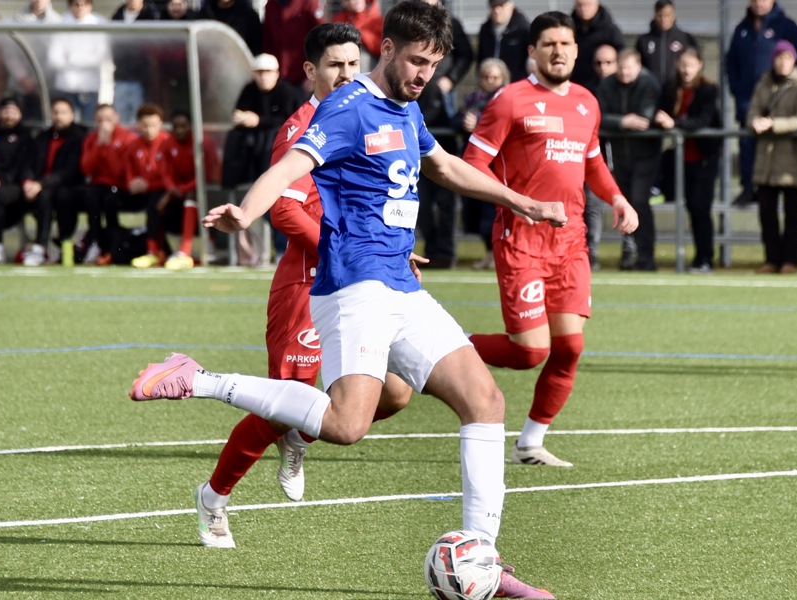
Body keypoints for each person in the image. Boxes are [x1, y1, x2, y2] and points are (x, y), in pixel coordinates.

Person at [129, 2, 563, 597]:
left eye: (433, 65)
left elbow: (446, 168)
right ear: (386, 50)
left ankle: (482, 557)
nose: (423, 75)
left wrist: (526, 203)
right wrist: (245, 214)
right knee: (344, 424)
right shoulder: (347, 107)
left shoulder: (407, 111)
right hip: (353, 288)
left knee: (484, 400)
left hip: (403, 288)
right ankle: (196, 377)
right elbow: (290, 167)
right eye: (415, 61)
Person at [195, 22, 417, 548]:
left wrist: (396, 249)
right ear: (311, 71)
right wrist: (354, 251)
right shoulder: (300, 129)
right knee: (286, 399)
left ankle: (301, 428)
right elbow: (288, 215)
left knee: (398, 391)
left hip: (368, 279)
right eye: (334, 66)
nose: (346, 74)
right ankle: (213, 496)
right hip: (309, 282)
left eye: (351, 63)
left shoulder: (373, 115)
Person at [463, 11, 638, 467]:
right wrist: (515, 201)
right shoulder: (509, 101)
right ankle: (444, 342)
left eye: (565, 43)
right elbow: (470, 166)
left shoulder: (587, 102)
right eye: (549, 44)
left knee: (570, 347)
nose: (558, 51)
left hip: (570, 243)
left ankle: (530, 442)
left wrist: (617, 198)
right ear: (532, 52)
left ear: (576, 51)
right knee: (529, 352)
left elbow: (593, 163)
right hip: (521, 239)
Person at [726, 0, 797, 207]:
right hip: (748, 105)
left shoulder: (786, 26)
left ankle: (778, 190)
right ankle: (748, 188)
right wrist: (739, 91)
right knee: (747, 144)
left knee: (780, 148)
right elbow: (731, 63)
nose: (759, 3)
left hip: (781, 103)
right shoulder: (742, 29)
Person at [414, 0, 474, 270]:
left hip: (443, 122)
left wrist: (450, 78)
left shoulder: (452, 23)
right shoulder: (409, 22)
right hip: (416, 112)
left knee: (447, 195)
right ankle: (431, 248)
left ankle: (446, 252)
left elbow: (466, 54)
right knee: (420, 198)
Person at [654, 47, 722, 273]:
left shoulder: (708, 90)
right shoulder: (670, 88)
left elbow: (702, 120)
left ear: (699, 65)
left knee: (700, 208)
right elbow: (660, 113)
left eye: (690, 65)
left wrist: (675, 123)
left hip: (703, 159)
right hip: (679, 159)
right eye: (683, 64)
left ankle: (705, 258)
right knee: (685, 205)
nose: (686, 70)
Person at [748, 39, 797, 275]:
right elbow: (752, 111)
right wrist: (755, 121)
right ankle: (771, 259)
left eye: (787, 58)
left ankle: (790, 261)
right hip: (765, 160)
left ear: (794, 60)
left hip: (791, 161)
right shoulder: (762, 84)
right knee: (767, 214)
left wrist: (773, 123)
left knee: (792, 214)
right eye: (778, 57)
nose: (783, 62)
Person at [597, 47, 661, 271]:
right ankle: (629, 254)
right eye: (621, 68)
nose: (624, 73)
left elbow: (645, 119)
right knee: (625, 204)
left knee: (640, 202)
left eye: (629, 68)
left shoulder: (648, 84)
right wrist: (622, 122)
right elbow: (598, 116)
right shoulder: (607, 85)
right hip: (620, 156)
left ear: (638, 66)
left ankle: (647, 256)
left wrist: (621, 121)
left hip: (646, 156)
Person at [455, 58, 511, 270]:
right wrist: (464, 122)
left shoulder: (506, 99)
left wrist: (479, 123)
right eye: (486, 77)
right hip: (473, 162)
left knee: (493, 212)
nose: (490, 81)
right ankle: (489, 254)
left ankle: (498, 255)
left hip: (497, 164)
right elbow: (455, 119)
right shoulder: (473, 98)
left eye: (495, 77)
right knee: (476, 213)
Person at [20, 97, 86, 266]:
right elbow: (29, 163)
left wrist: (41, 184)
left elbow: (70, 171)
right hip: (39, 187)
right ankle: (39, 248)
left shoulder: (79, 137)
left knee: (60, 196)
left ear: (72, 115)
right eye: (55, 112)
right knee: (41, 196)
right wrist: (27, 182)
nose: (59, 116)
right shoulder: (42, 138)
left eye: (63, 113)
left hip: (67, 187)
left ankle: (64, 244)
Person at [221, 53, 301, 190]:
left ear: (276, 73)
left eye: (268, 72)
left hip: (276, 138)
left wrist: (259, 121)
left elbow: (289, 119)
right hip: (252, 137)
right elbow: (239, 110)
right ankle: (234, 182)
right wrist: (242, 118)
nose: (264, 77)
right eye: (259, 72)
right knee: (235, 137)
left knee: (270, 139)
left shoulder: (287, 92)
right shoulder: (249, 90)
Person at [160, 109, 221, 270]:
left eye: (183, 126)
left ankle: (185, 252)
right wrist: (172, 189)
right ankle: (157, 250)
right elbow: (165, 172)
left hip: (209, 190)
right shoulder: (167, 143)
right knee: (156, 203)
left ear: (191, 126)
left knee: (191, 197)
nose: (179, 130)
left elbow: (206, 174)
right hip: (180, 192)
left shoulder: (203, 142)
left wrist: (181, 189)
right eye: (175, 126)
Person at [78, 104, 137, 264]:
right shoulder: (92, 139)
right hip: (98, 186)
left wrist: (107, 146)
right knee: (91, 197)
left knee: (110, 200)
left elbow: (119, 171)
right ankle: (94, 243)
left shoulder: (127, 138)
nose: (105, 123)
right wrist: (99, 146)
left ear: (116, 118)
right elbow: (86, 169)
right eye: (100, 120)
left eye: (108, 119)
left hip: (120, 187)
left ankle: (113, 248)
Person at [124, 103, 176, 268]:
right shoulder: (134, 145)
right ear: (139, 124)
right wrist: (131, 183)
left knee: (154, 204)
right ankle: (109, 248)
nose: (149, 129)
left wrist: (149, 185)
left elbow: (170, 176)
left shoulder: (168, 142)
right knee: (110, 200)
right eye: (145, 125)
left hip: (162, 191)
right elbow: (128, 172)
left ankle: (153, 251)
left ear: (160, 123)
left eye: (153, 125)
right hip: (140, 192)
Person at [0, 98, 35, 266]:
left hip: (12, 185)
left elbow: (22, 167)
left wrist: (1, 180)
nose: (9, 115)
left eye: (13, 111)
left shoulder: (26, 137)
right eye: (6, 111)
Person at [583, 43, 617, 270]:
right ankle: (591, 254)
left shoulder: (626, 87)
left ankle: (630, 254)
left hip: (623, 158)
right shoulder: (586, 90)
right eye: (599, 63)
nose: (603, 68)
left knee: (626, 204)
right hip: (592, 158)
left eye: (608, 63)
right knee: (592, 207)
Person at [50, 0, 111, 124]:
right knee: (64, 122)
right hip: (65, 84)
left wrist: (71, 58)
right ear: (70, 6)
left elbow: (100, 56)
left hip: (89, 85)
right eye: (76, 4)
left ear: (90, 5)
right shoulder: (60, 23)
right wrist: (86, 56)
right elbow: (54, 58)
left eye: (84, 4)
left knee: (88, 122)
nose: (80, 8)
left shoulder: (99, 23)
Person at [635, 0, 698, 90]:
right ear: (655, 15)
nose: (664, 19)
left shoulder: (685, 39)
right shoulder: (644, 40)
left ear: (674, 15)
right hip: (651, 92)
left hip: (677, 91)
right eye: (660, 15)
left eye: (667, 15)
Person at [262, 0, 322, 90]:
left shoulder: (309, 3)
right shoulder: (271, 5)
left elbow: (320, 39)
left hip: (303, 78)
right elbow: (267, 41)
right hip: (277, 79)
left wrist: (315, 74)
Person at [570, 0, 623, 93]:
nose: (583, 9)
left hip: (604, 88)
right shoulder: (570, 29)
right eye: (580, 5)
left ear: (597, 4)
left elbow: (622, 57)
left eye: (588, 5)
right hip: (576, 84)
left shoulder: (610, 31)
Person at [477, 0, 530, 83]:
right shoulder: (485, 30)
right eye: (494, 6)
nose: (497, 10)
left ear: (511, 7)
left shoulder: (523, 30)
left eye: (501, 6)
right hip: (490, 85)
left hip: (515, 85)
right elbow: (481, 58)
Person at [331, 0, 383, 68]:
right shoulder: (338, 20)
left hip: (371, 66)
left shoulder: (376, 18)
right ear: (343, 3)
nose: (355, 1)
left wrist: (360, 33)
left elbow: (382, 47)